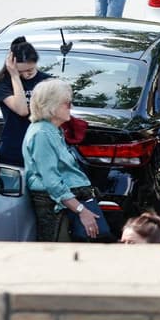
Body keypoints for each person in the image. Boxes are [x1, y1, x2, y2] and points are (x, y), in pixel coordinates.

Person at [22, 79, 108, 242]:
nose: (71, 107)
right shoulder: (42, 134)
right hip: (55, 207)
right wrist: (81, 210)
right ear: (52, 106)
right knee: (61, 255)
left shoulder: (53, 129)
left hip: (65, 203)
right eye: (67, 103)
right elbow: (52, 181)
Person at [0, 37, 51, 167]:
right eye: (20, 71)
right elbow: (22, 110)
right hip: (13, 148)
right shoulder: (2, 82)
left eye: (30, 70)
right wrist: (14, 76)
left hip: (40, 148)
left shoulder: (47, 82)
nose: (26, 75)